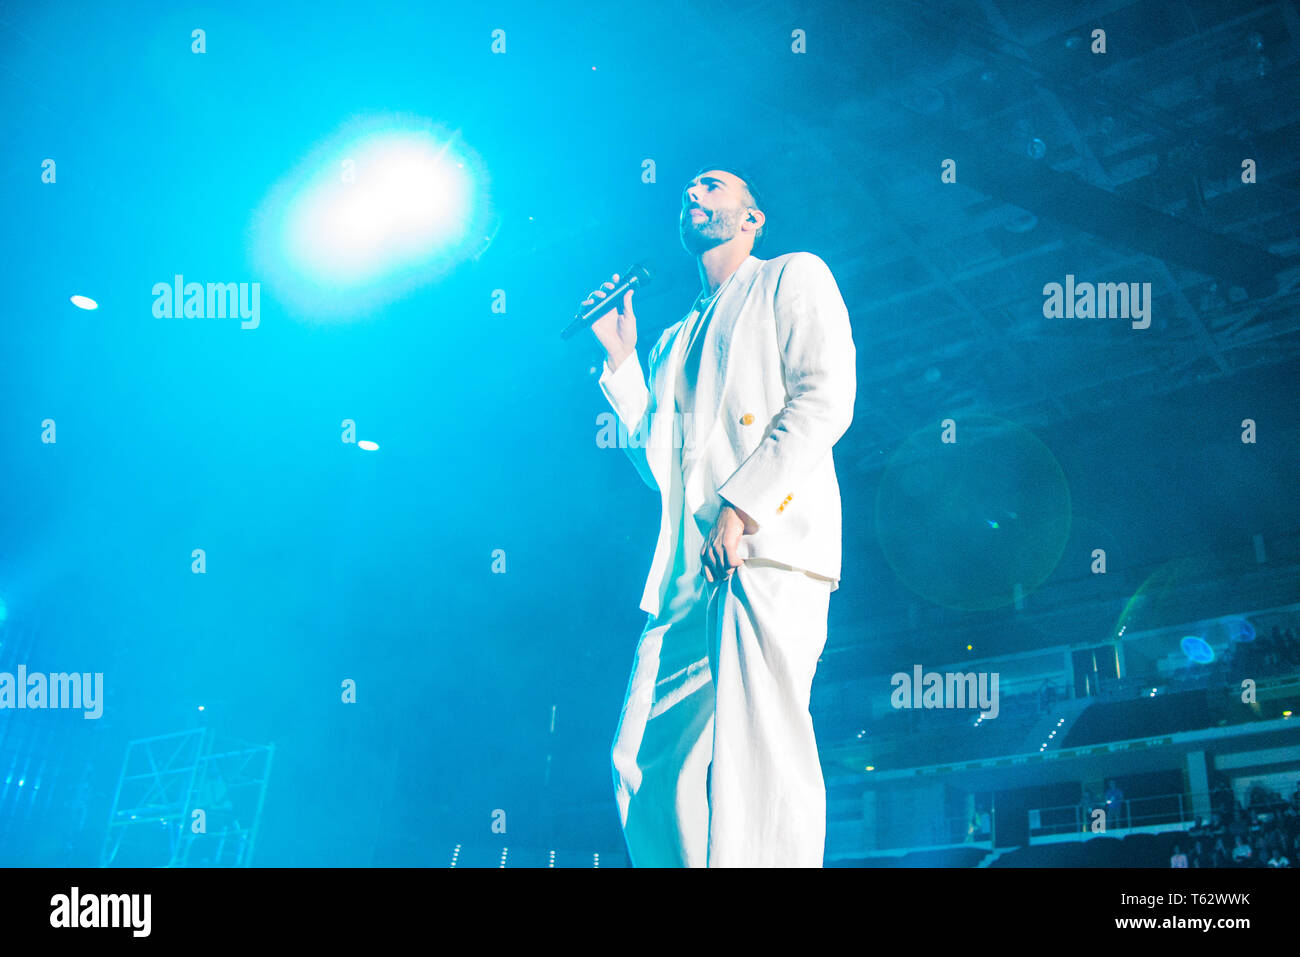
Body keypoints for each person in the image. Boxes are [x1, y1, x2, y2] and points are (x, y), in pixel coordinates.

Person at [588, 166, 857, 867]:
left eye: (711, 186)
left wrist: (743, 505)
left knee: (761, 747)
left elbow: (825, 397)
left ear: (752, 217)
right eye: (687, 193)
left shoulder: (791, 276)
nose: (694, 194)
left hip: (767, 545)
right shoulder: (670, 339)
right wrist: (621, 364)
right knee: (640, 759)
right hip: (686, 570)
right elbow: (662, 467)